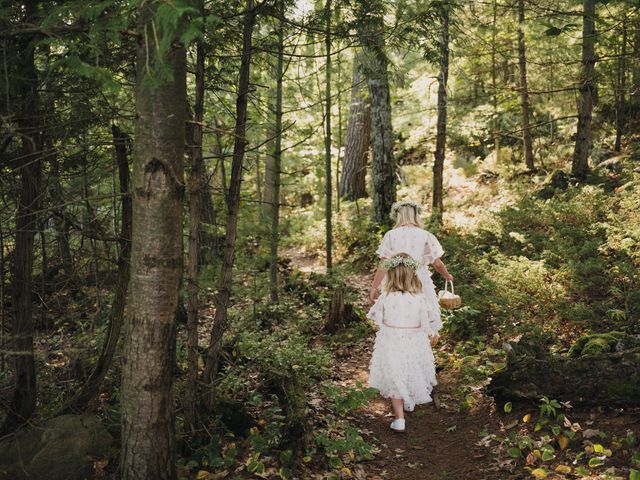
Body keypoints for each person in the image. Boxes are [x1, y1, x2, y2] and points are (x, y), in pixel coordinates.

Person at [367, 253, 438, 432]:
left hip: (391, 342)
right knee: (410, 371)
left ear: (391, 275)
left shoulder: (386, 297)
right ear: (413, 275)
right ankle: (409, 401)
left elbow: (376, 317)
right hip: (414, 342)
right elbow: (426, 320)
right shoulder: (419, 297)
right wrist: (429, 332)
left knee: (395, 377)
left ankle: (399, 419)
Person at [368, 200, 453, 335]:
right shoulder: (425, 235)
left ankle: (399, 347)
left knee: (396, 320)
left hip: (395, 281)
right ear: (415, 215)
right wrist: (447, 275)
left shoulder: (390, 235)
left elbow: (384, 264)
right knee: (422, 319)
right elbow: (436, 263)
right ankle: (420, 346)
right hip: (419, 281)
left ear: (399, 215)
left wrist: (374, 287)